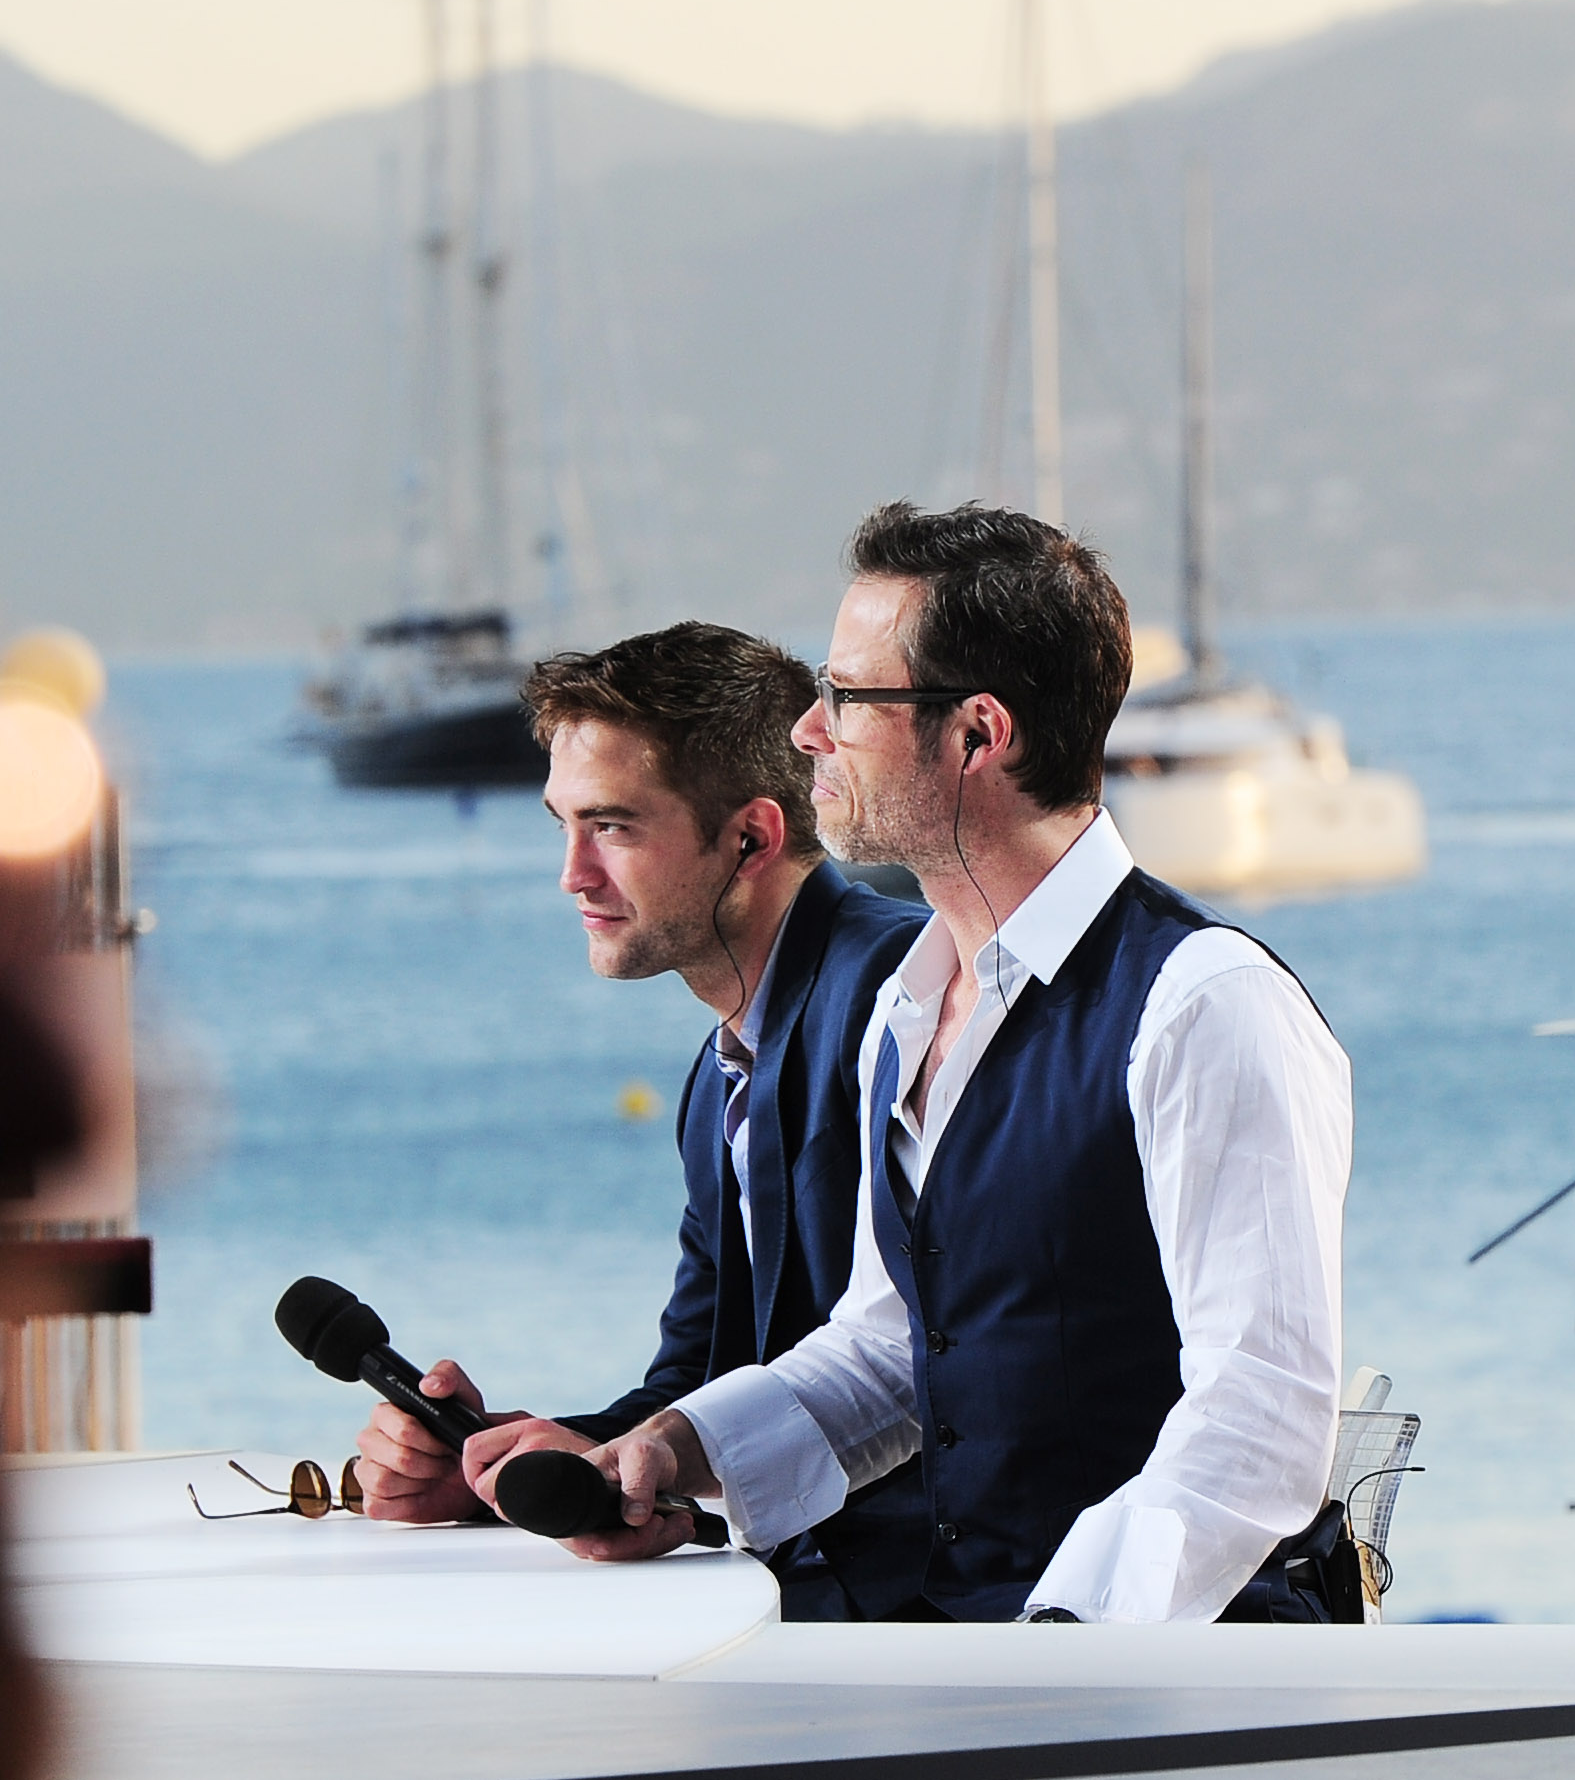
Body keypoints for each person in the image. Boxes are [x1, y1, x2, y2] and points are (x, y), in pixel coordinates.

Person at [470, 503, 1353, 1625]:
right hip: (972, 1660)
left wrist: (1068, 1642)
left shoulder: (1201, 1006)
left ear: (977, 734)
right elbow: (892, 1349)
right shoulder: (908, 1005)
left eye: (847, 697)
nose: (808, 732)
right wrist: (673, 1452)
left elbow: (1261, 1416)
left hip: (1159, 1677)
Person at [352, 622, 928, 1619]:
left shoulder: (903, 1000)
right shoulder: (720, 1077)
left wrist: (676, 1494)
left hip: (963, 1626)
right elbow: (699, 1381)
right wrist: (512, 1467)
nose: (572, 874)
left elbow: (935, 1379)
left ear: (751, 838)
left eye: (611, 827)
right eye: (563, 825)